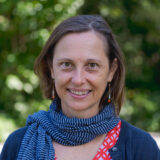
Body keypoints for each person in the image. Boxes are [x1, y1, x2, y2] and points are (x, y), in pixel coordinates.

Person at [0, 15, 160, 160]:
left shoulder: (141, 148)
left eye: (92, 65)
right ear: (51, 68)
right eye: (67, 64)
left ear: (111, 71)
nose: (78, 80)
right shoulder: (18, 145)